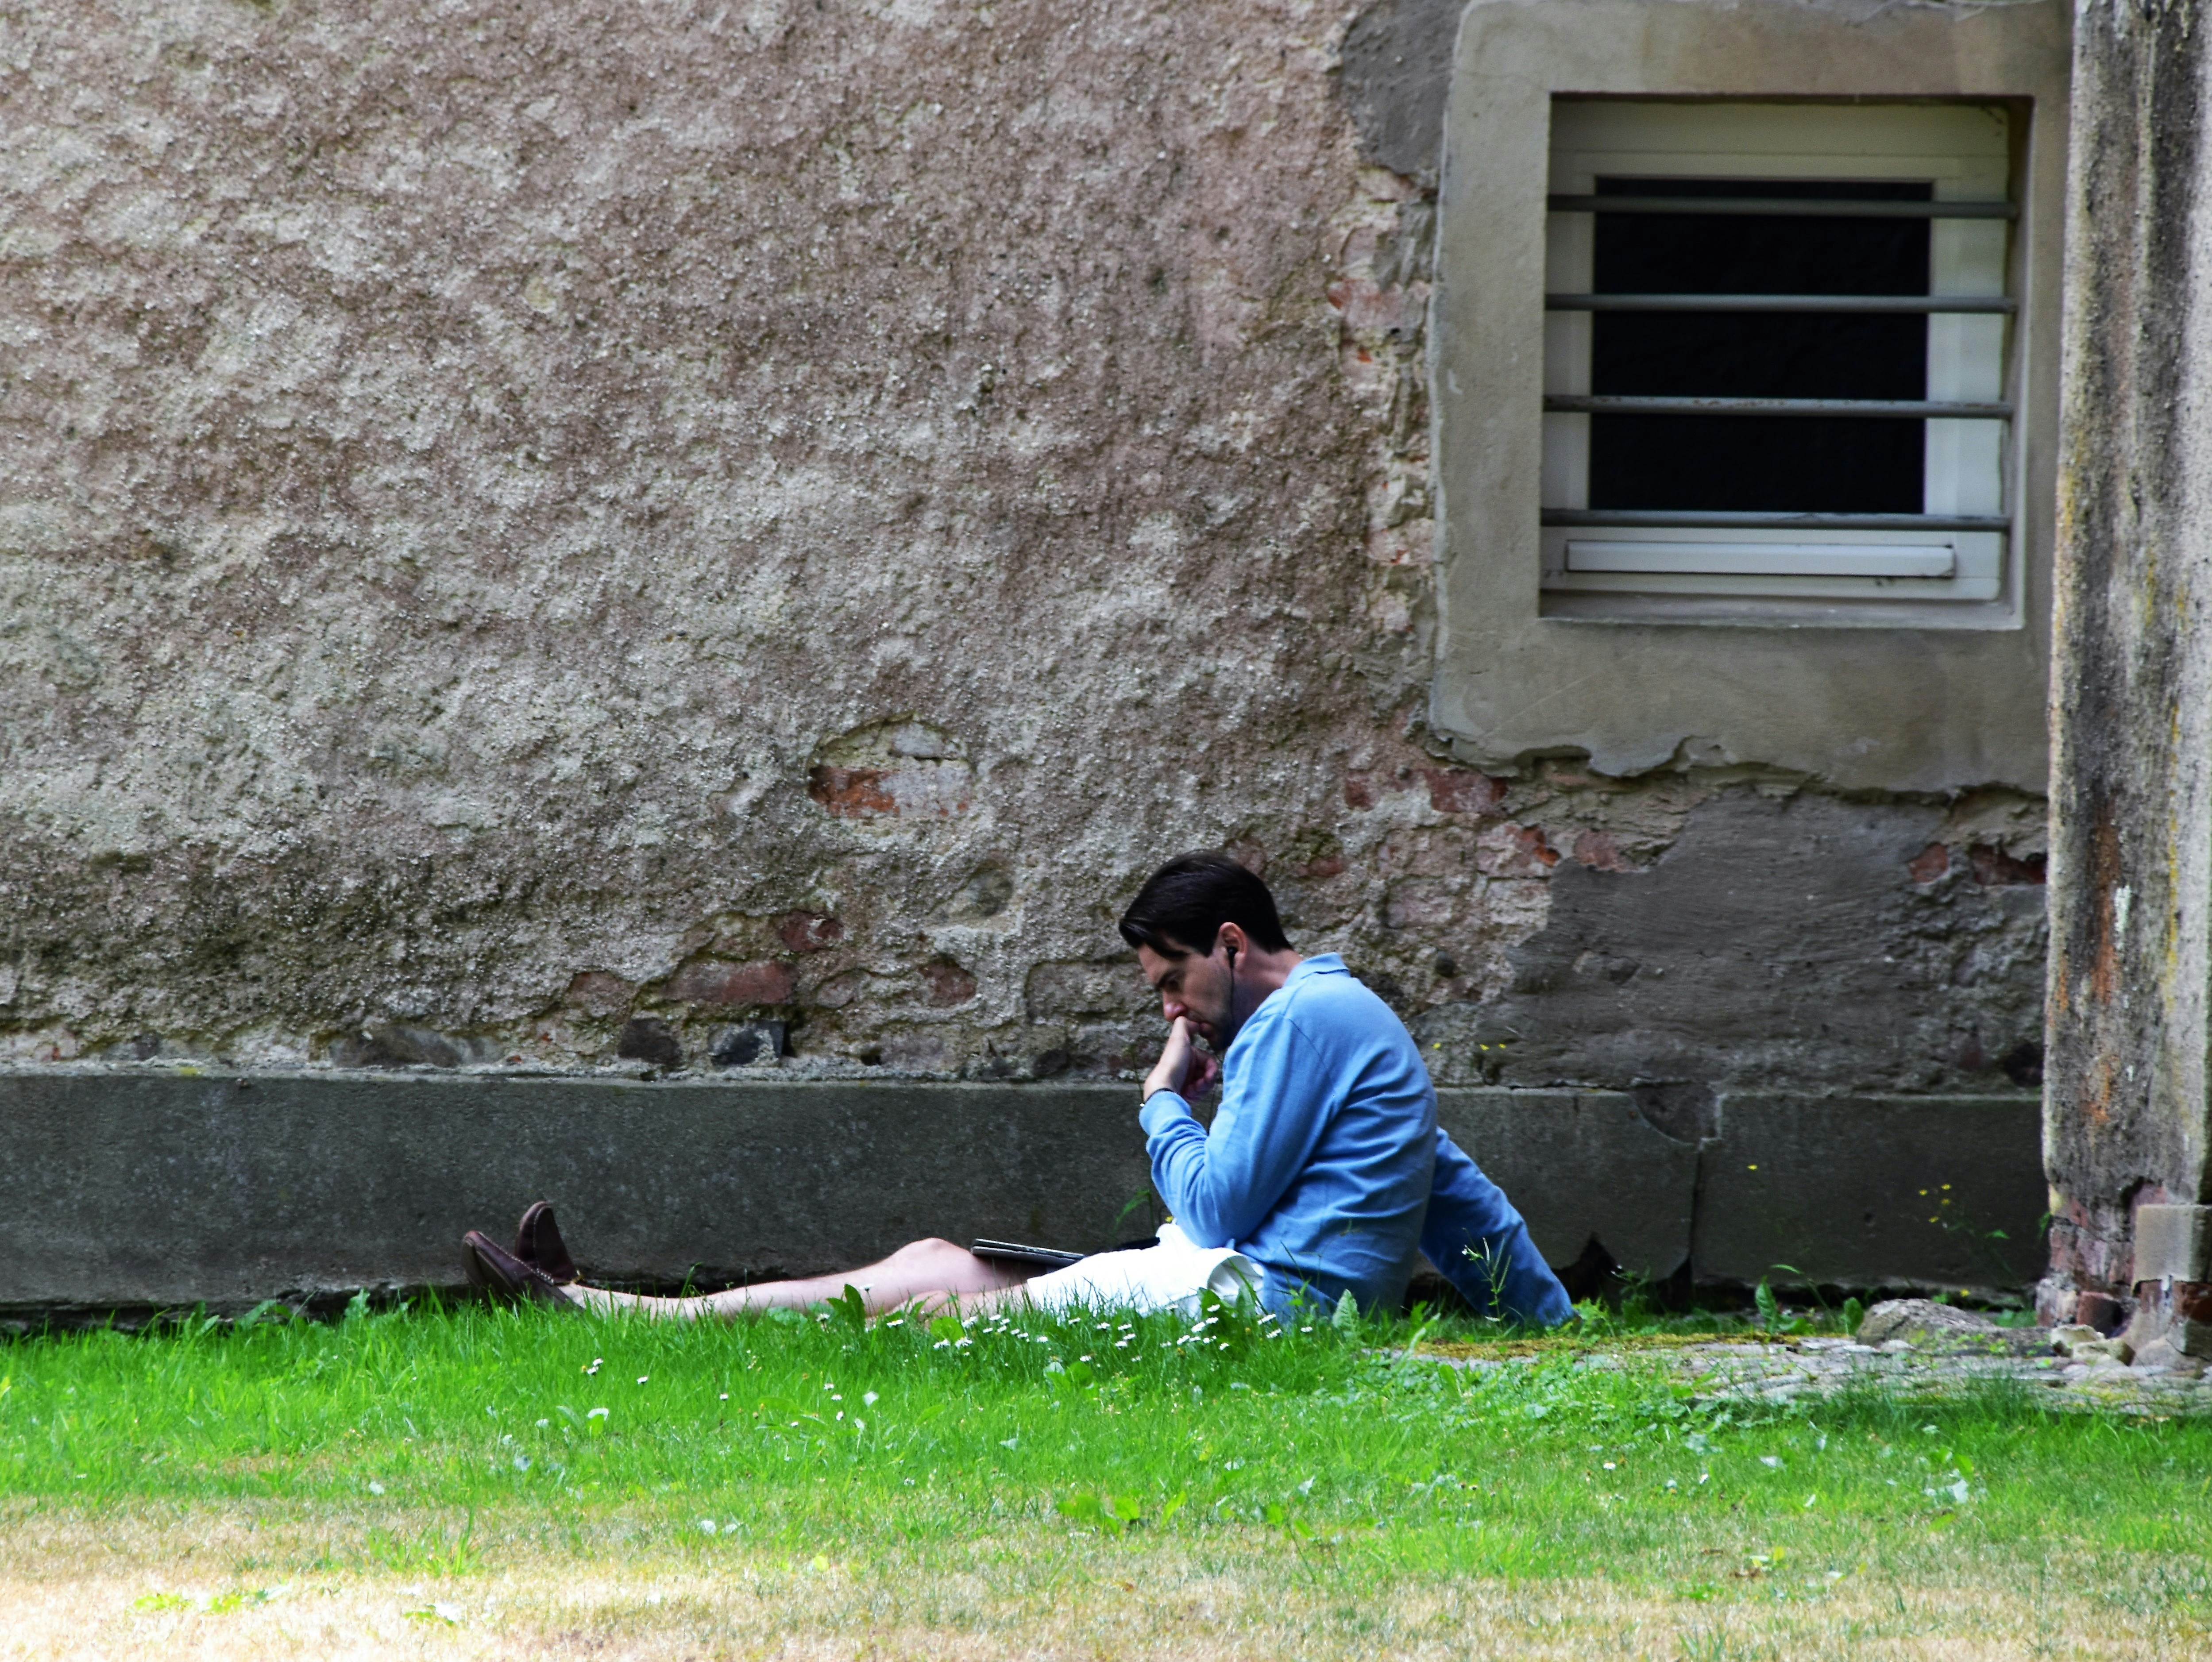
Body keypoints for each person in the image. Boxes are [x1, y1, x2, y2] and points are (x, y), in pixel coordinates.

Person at [461, 852, 1569, 1327]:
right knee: (931, 1263)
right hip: (1223, 1281)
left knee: (939, 1321)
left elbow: (1218, 1209)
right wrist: (1547, 1318)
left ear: (1232, 944)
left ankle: (606, 1319)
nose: (1173, 1012)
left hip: (1255, 1299)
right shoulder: (1342, 1015)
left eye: (1175, 979)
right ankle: (610, 1309)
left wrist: (1163, 1102)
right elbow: (1452, 1182)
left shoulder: (1298, 1019)